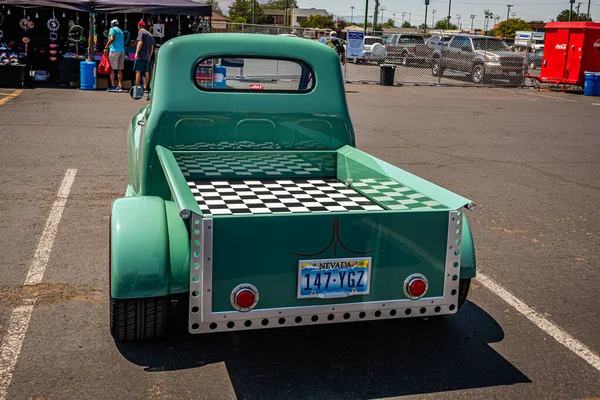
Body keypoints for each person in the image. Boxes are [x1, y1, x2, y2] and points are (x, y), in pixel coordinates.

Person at [134, 20, 155, 93]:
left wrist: (136, 53)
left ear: (139, 26)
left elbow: (140, 42)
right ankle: (146, 87)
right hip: (147, 56)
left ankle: (137, 87)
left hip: (141, 55)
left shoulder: (141, 32)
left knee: (138, 71)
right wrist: (149, 56)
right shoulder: (150, 34)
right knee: (146, 72)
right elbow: (152, 47)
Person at [105, 19, 125, 92]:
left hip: (114, 51)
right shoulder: (121, 31)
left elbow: (111, 38)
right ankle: (120, 86)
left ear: (112, 24)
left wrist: (106, 47)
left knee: (112, 69)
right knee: (120, 69)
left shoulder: (112, 29)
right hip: (122, 51)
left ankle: (113, 86)